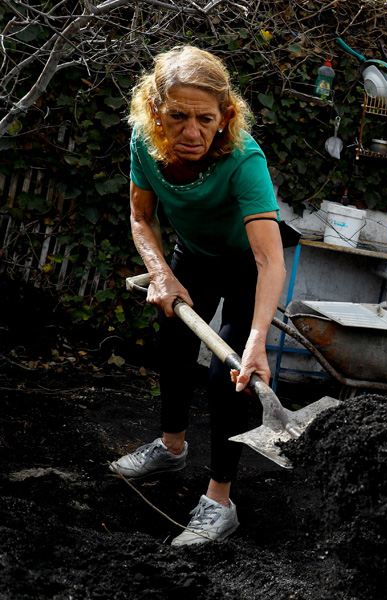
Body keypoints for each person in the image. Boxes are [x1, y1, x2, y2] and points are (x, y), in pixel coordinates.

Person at [108, 46, 285, 547]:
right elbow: (140, 218)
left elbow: (271, 260)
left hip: (248, 263)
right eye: (177, 116)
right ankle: (171, 446)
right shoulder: (143, 143)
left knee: (228, 372)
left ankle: (219, 501)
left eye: (205, 119)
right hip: (193, 254)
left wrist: (257, 342)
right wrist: (161, 274)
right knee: (173, 346)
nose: (191, 132)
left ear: (225, 116)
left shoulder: (244, 159)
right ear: (154, 109)